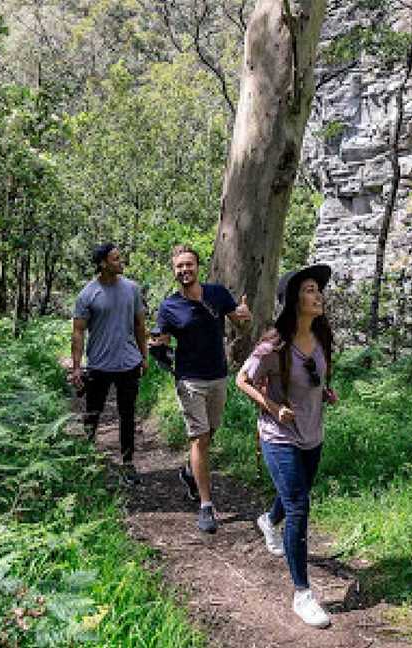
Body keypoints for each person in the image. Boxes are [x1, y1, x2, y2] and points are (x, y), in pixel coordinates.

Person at [235, 264, 337, 629]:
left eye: (318, 289)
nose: (318, 295)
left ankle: (267, 520)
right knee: (299, 506)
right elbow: (242, 380)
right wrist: (273, 407)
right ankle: (302, 594)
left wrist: (325, 391)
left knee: (298, 494)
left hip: (313, 434)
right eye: (310, 289)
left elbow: (317, 375)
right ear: (294, 299)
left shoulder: (323, 336)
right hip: (279, 436)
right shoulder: (273, 344)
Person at [151, 244, 251, 533]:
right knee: (199, 439)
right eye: (179, 266)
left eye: (189, 265)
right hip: (189, 379)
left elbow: (239, 324)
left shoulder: (217, 294)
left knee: (210, 435)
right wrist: (157, 345)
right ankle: (206, 506)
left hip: (218, 376)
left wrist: (245, 317)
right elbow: (164, 339)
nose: (184, 270)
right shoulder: (169, 306)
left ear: (198, 267)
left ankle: (187, 472)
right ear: (174, 271)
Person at [71, 243, 148, 486]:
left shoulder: (132, 289)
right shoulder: (88, 294)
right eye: (115, 259)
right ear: (103, 263)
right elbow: (78, 332)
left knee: (128, 415)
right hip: (99, 365)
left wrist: (144, 356)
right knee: (93, 413)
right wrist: (76, 367)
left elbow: (139, 325)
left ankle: (127, 463)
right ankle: (86, 459)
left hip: (128, 363)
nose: (120, 262)